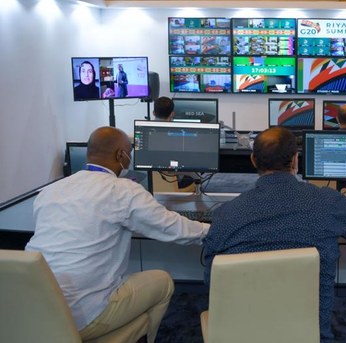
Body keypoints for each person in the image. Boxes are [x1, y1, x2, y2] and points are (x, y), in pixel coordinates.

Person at [202, 126, 346, 342]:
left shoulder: (226, 214)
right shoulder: (328, 203)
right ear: (295, 160)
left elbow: (212, 281)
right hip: (310, 334)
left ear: (253, 160)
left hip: (241, 334)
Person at [25, 126, 209, 343]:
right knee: (163, 281)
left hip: (34, 310)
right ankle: (141, 336)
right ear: (121, 155)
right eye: (129, 153)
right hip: (84, 315)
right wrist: (213, 230)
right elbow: (173, 228)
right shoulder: (123, 191)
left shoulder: (50, 191)